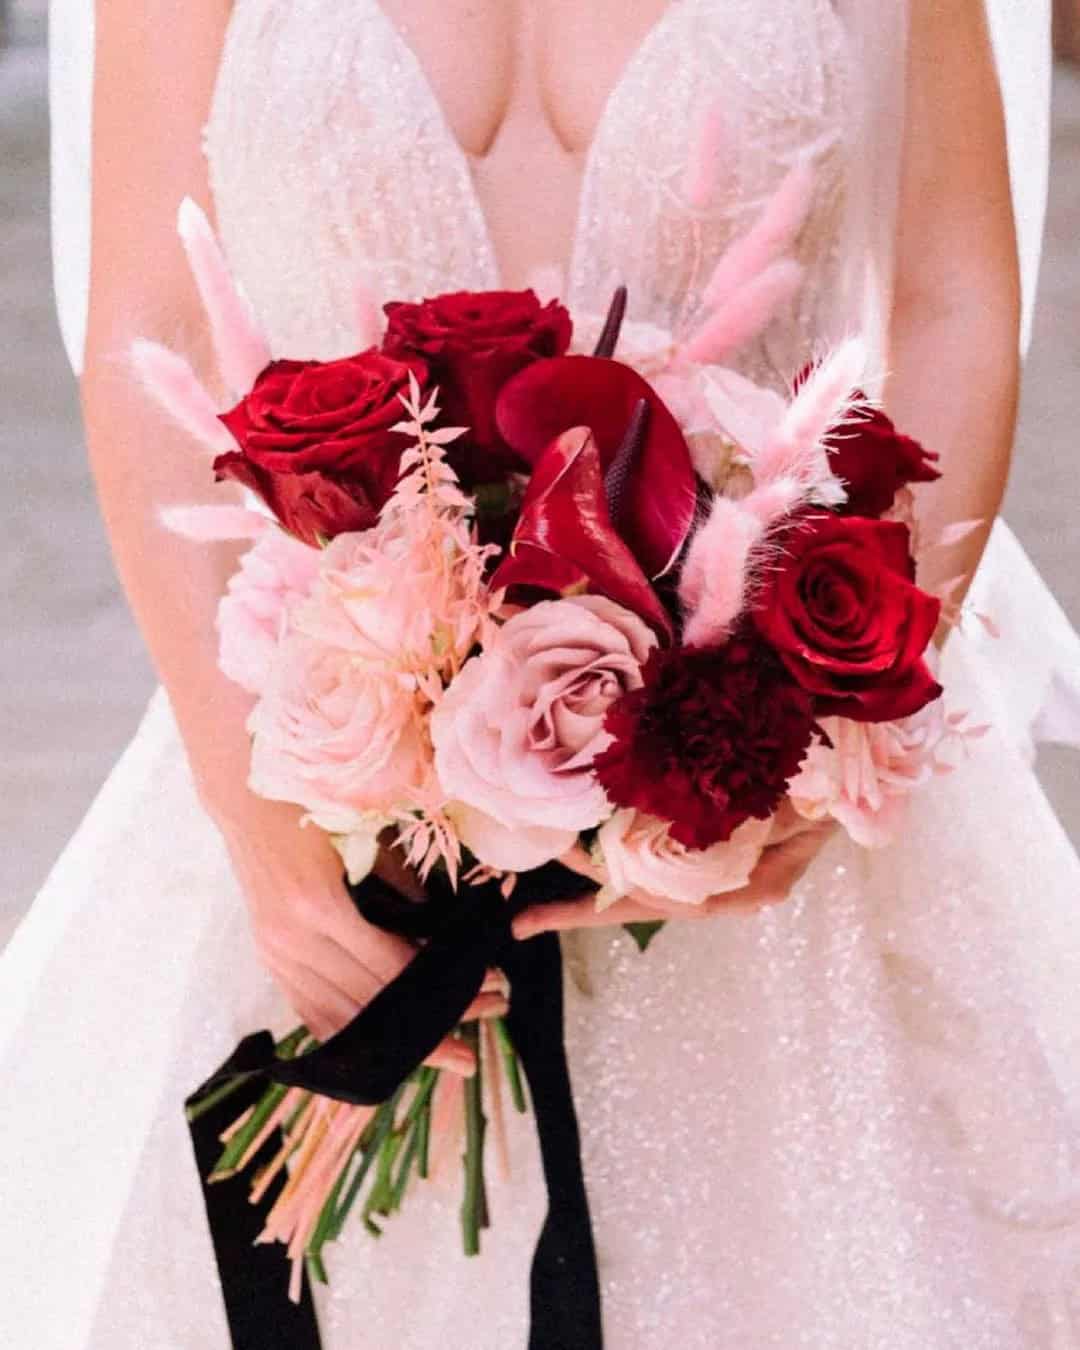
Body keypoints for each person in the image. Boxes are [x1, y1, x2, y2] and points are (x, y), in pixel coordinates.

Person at [4, 1, 1080, 1345]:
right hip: (323, 801)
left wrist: (821, 710)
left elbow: (953, 294)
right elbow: (145, 324)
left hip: (766, 841)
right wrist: (268, 835)